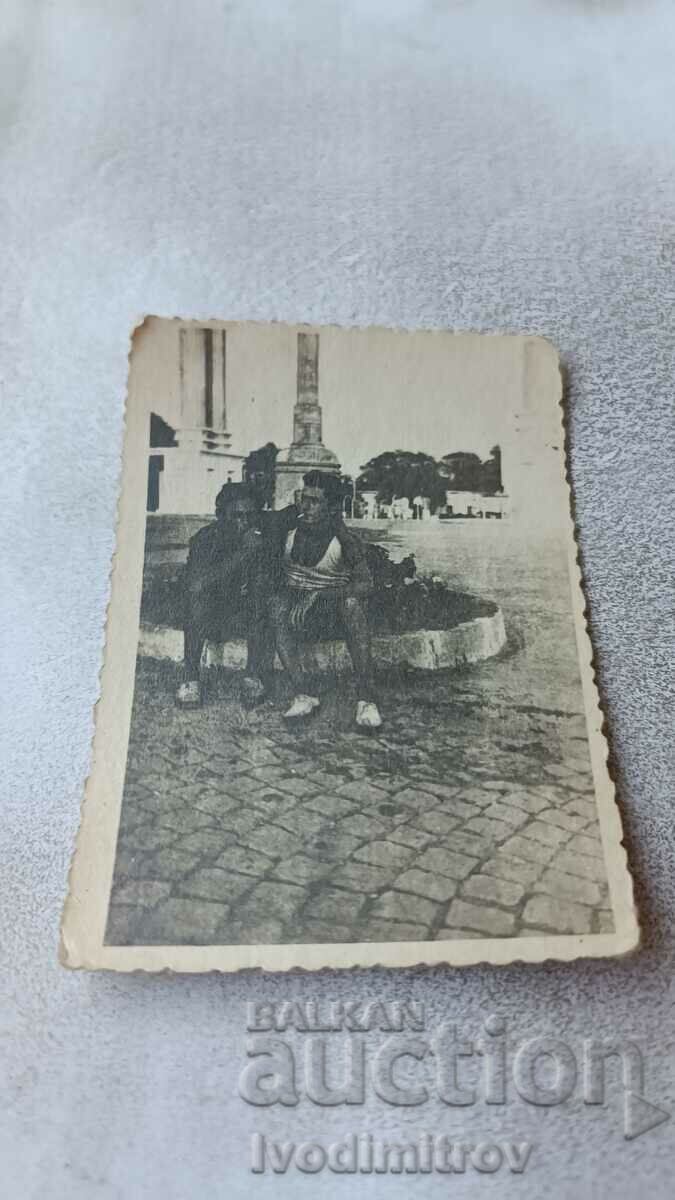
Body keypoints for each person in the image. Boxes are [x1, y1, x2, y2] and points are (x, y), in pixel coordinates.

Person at [268, 470, 383, 729]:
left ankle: (367, 699)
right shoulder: (289, 531)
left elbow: (366, 584)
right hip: (299, 614)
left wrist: (320, 593)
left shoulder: (345, 541)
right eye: (303, 498)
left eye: (315, 501)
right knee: (275, 604)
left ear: (331, 507)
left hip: (332, 613)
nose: (305, 506)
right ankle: (304, 693)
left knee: (353, 605)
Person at [175, 482, 273, 708]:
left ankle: (253, 677)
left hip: (244, 614)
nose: (245, 522)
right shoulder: (206, 538)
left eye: (250, 516)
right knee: (196, 603)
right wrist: (243, 554)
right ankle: (190, 679)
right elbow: (196, 585)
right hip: (211, 614)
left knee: (263, 595)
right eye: (237, 516)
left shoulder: (259, 538)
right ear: (222, 516)